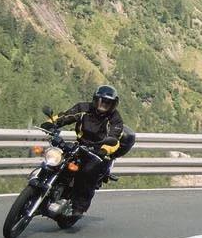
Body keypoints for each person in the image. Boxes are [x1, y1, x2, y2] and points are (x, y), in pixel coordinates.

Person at [41, 84, 135, 217]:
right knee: (57, 159)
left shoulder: (115, 119)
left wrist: (104, 150)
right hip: (80, 144)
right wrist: (51, 123)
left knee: (88, 171)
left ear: (113, 104)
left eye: (107, 102)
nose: (103, 104)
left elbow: (114, 138)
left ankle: (79, 207)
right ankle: (44, 184)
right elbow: (66, 116)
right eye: (101, 100)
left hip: (98, 152)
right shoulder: (84, 108)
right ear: (95, 99)